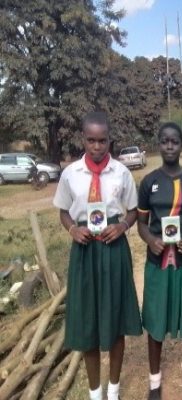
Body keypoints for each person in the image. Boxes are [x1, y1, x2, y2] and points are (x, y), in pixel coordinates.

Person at [53, 111, 142, 400]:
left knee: (116, 321)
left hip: (113, 249)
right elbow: (64, 211)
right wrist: (71, 231)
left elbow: (132, 211)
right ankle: (95, 393)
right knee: (87, 323)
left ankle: (113, 390)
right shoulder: (70, 174)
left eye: (102, 140)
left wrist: (123, 226)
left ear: (109, 140)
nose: (97, 146)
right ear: (83, 139)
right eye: (91, 140)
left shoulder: (121, 173)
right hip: (85, 252)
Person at [137, 123, 182, 400]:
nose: (169, 146)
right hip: (157, 263)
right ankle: (154, 383)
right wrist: (151, 240)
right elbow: (141, 223)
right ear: (158, 143)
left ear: (181, 144)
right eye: (164, 141)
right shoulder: (149, 182)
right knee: (154, 321)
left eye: (174, 141)